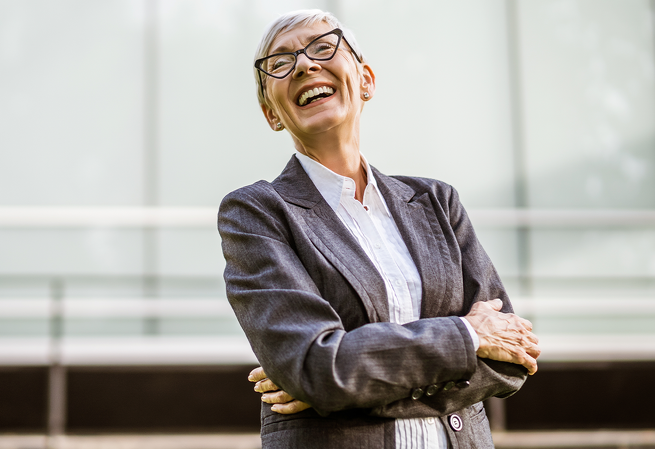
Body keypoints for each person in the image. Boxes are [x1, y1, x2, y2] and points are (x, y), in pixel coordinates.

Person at [217, 9, 540, 449]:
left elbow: (510, 360)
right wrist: (466, 335)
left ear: (365, 79)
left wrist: (341, 385)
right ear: (271, 112)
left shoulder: (437, 202)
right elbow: (315, 366)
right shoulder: (257, 213)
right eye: (281, 62)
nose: (306, 65)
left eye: (323, 47)